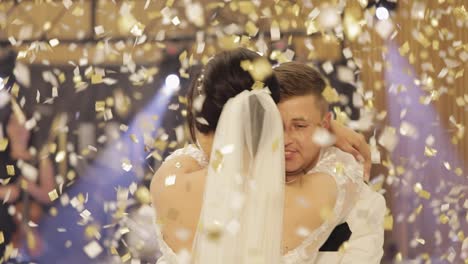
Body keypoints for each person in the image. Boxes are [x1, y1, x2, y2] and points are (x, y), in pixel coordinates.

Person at [150, 48, 372, 263]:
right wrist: (324, 126)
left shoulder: (170, 183)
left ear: (200, 123)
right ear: (270, 117)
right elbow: (351, 167)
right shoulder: (312, 197)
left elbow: (201, 151)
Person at [274, 62, 385, 263]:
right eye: (275, 125)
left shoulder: (364, 203)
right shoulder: (238, 174)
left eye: (299, 126)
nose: (286, 139)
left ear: (324, 124)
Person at [0, 49, 55, 260]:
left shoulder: (39, 157)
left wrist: (27, 186)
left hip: (31, 226)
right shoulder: (2, 156)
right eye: (15, 124)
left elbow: (50, 196)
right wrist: (8, 191)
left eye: (23, 125)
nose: (20, 129)